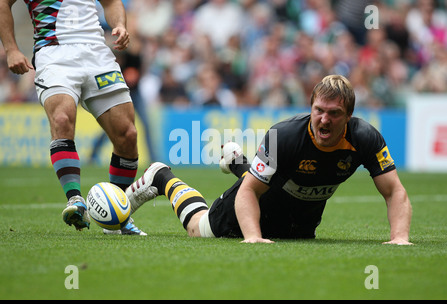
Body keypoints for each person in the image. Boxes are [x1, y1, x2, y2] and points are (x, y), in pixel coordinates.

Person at [125, 75, 412, 244]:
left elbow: (394, 190)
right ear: (310, 107)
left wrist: (400, 237)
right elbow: (250, 190)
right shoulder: (283, 135)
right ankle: (162, 177)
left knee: (284, 204)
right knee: (198, 229)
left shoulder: (366, 138)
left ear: (349, 116)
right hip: (257, 200)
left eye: (334, 113)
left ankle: (238, 161)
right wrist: (252, 236)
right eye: (318, 110)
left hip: (299, 219)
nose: (324, 120)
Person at [0, 0, 146, 235]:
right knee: (61, 119)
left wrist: (119, 24)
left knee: (128, 134)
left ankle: (115, 217)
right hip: (54, 53)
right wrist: (12, 49)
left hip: (97, 53)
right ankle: (75, 200)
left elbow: (111, 2)